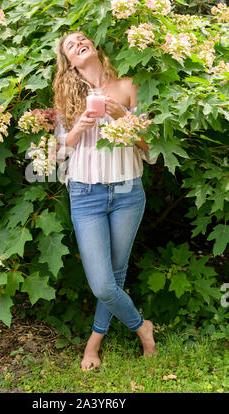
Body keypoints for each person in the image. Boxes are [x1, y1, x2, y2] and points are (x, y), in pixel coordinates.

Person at [52, 31, 158, 371]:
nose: (78, 43)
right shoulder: (66, 96)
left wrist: (123, 117)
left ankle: (93, 345)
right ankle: (143, 327)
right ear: (68, 61)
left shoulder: (128, 86)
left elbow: (153, 150)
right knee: (101, 282)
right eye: (70, 45)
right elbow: (58, 155)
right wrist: (80, 126)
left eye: (82, 38)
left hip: (128, 192)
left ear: (94, 47)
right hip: (85, 194)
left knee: (114, 274)